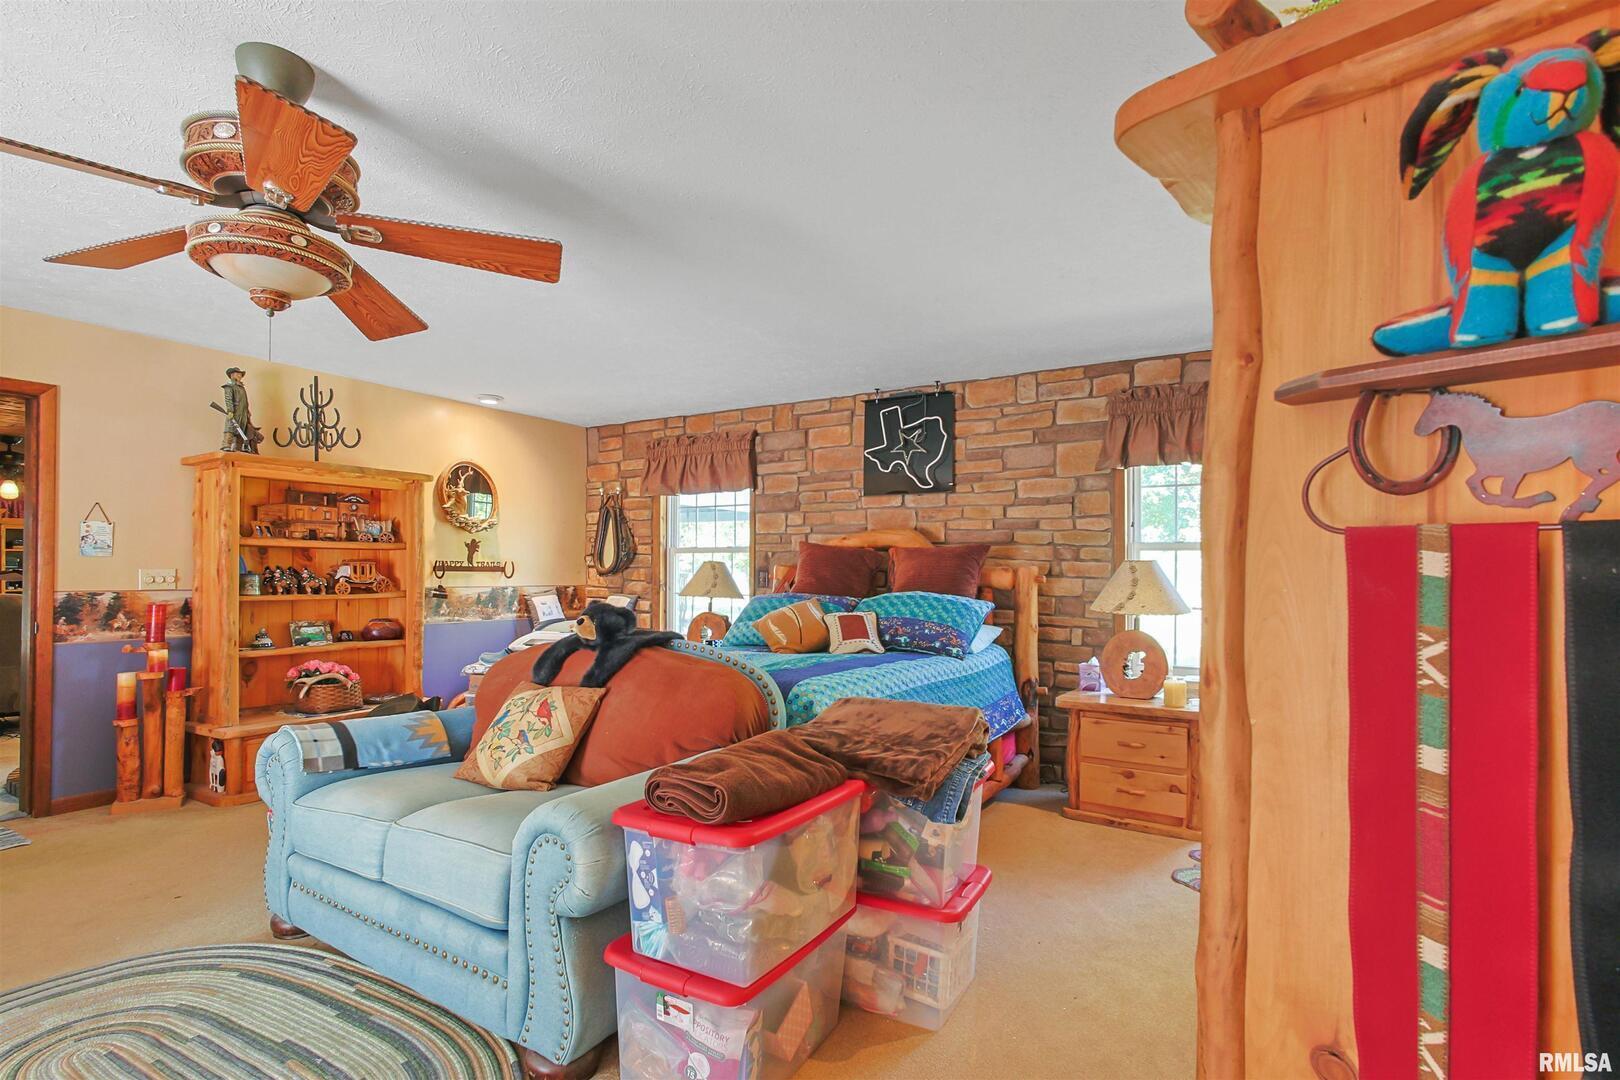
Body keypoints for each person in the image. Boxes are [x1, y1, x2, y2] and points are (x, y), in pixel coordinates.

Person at [219, 367, 264, 453]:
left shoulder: (241, 387)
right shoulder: (229, 387)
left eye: (240, 374)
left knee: (241, 429)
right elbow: (228, 399)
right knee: (231, 428)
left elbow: (244, 401)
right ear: (232, 375)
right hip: (235, 411)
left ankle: (237, 446)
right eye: (238, 373)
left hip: (242, 412)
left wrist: (247, 411)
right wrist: (230, 410)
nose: (240, 375)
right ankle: (226, 445)